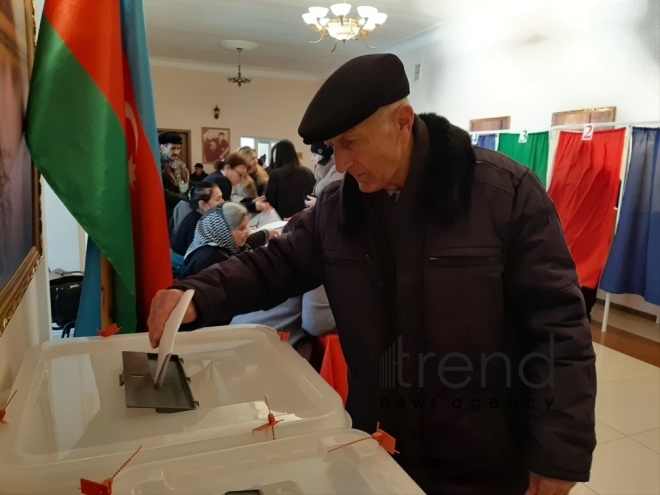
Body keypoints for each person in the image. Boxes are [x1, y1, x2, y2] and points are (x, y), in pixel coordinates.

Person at [148, 54, 596, 495]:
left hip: (484, 461)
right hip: (376, 447)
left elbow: (557, 326)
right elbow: (274, 265)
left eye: (351, 143)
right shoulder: (339, 208)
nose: (340, 164)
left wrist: (560, 451)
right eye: (332, 149)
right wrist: (195, 293)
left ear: (402, 121)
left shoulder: (504, 194)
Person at [183, 202, 273, 277]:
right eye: (242, 228)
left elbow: (246, 245)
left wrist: (266, 234)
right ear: (223, 231)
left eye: (247, 226)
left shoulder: (226, 244)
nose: (248, 232)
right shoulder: (210, 261)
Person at [207, 153, 271, 214]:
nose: (241, 180)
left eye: (244, 176)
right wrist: (254, 206)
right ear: (228, 168)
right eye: (240, 175)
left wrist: (251, 201)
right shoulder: (222, 181)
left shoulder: (217, 176)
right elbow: (228, 211)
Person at [266, 140, 316, 218]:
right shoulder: (308, 172)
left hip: (282, 219)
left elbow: (271, 201)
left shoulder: (276, 174)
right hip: (305, 217)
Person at [171, 181, 223, 256]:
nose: (223, 202)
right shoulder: (196, 224)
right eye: (218, 199)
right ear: (202, 204)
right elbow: (196, 257)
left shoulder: (202, 216)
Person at [159, 132, 190, 223]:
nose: (176, 152)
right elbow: (161, 190)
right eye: (172, 148)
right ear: (162, 148)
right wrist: (184, 198)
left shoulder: (181, 165)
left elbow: (186, 184)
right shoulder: (157, 164)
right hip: (165, 210)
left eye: (178, 148)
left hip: (181, 208)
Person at [304, 142, 344, 209]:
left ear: (323, 155)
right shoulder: (322, 172)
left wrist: (317, 203)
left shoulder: (336, 170)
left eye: (314, 155)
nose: (312, 159)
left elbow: (337, 201)